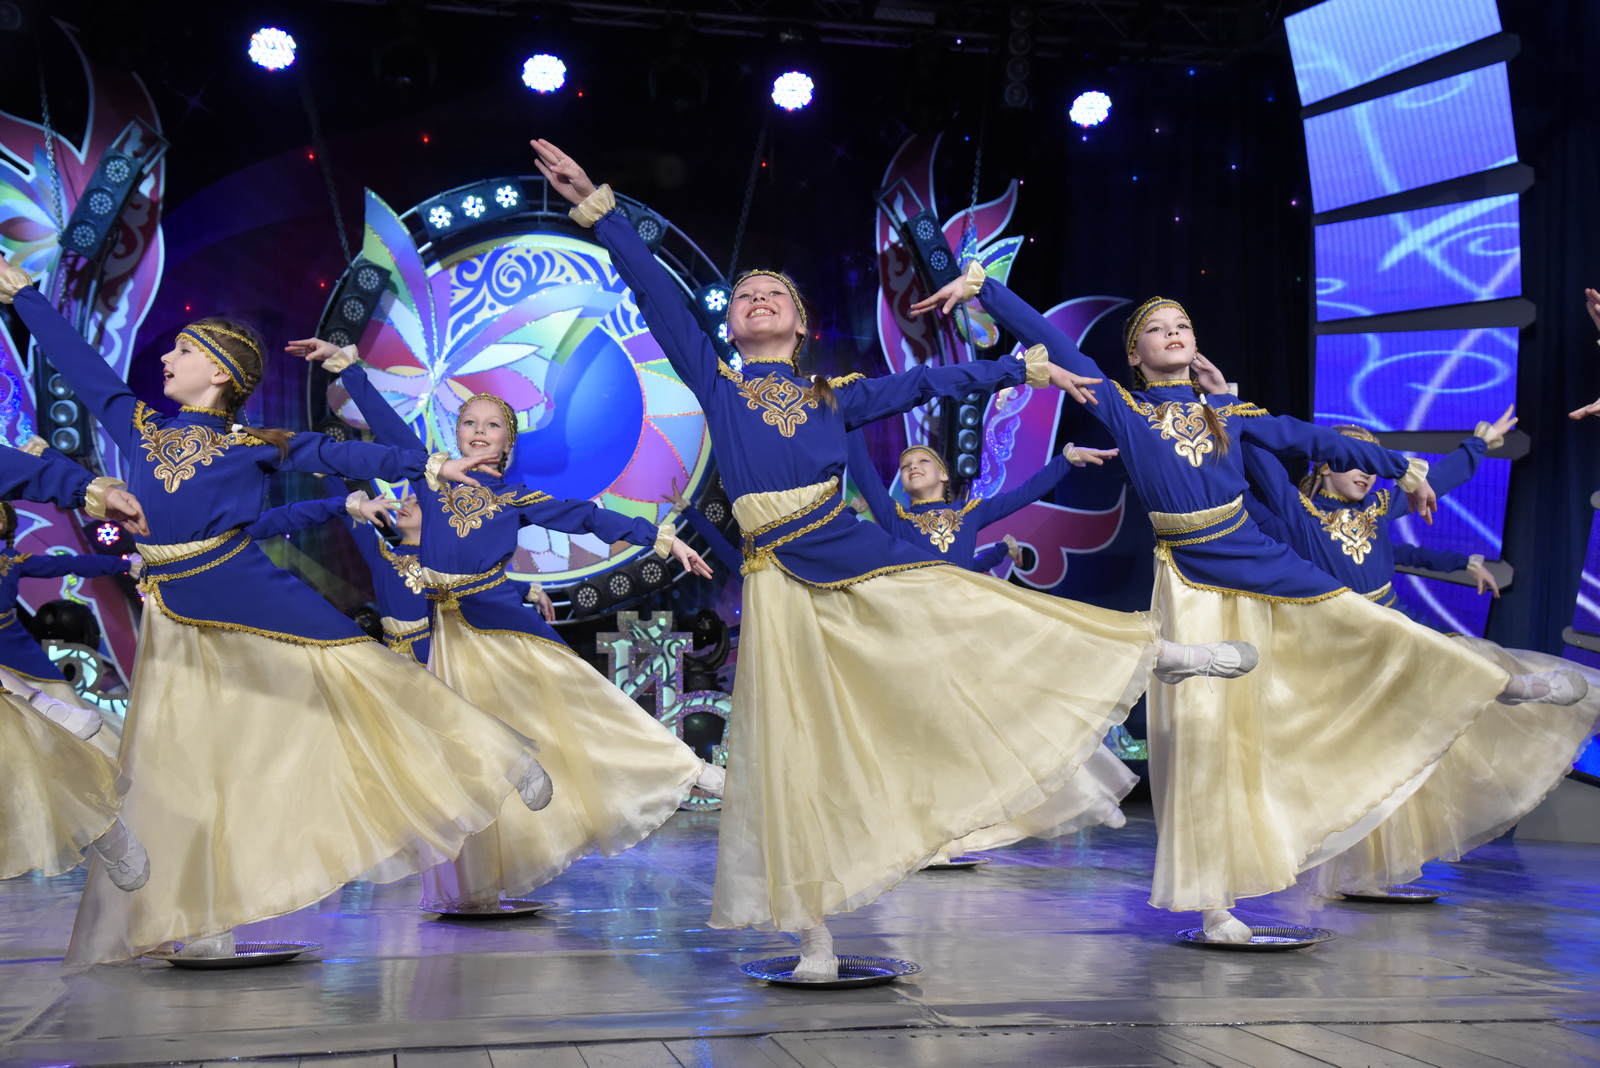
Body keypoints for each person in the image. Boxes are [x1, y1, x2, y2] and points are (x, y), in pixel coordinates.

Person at [533, 138, 1257, 979]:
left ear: (802, 325)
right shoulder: (719, 383)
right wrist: (600, 210)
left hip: (850, 549)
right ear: (730, 325)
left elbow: (924, 385)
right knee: (792, 750)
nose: (758, 299)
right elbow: (658, 297)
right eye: (745, 296)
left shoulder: (834, 396)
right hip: (778, 581)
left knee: (977, 614)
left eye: (775, 294)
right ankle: (813, 936)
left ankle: (1156, 653)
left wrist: (1016, 368)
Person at [918, 268, 1585, 942]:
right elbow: (1060, 347)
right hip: (1192, 574)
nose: (1173, 332)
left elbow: (1311, 438)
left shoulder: (1230, 415)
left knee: (1370, 624)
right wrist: (985, 290)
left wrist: (1401, 467)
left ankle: (1501, 683)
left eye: (1182, 325)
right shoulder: (1125, 407)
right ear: (1135, 356)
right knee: (1208, 733)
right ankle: (1215, 906)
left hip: (1256, 556)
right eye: (1157, 328)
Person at [0, 259, 553, 966]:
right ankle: (202, 920)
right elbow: (87, 372)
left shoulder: (251, 443)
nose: (166, 358)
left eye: (183, 350)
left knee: (367, 675)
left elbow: (334, 453)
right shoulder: (139, 426)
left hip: (239, 583)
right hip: (174, 611)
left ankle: (497, 754)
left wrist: (431, 466)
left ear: (220, 372)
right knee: (177, 757)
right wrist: (26, 296)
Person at [290, 339, 720, 912]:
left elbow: (584, 517)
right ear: (455, 433)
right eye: (468, 422)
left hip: (499, 622)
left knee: (581, 700)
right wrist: (352, 369)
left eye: (492, 425)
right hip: (447, 637)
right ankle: (475, 887)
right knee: (467, 756)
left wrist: (660, 537)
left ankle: (688, 769)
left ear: (507, 444)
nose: (478, 431)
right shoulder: (431, 479)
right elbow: (390, 430)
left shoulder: (516, 496)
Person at [1230, 409, 1600, 896]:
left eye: (1371, 463)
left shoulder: (1378, 508)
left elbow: (1431, 493)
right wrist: (1227, 406)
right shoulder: (1299, 514)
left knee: (1426, 707)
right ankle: (1357, 871)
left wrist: (1480, 443)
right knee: (1367, 761)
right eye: (1352, 461)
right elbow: (1259, 462)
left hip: (1394, 630)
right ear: (1324, 465)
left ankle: (1506, 686)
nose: (1366, 472)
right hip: (1344, 649)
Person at [0, 442, 148, 891]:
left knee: (64, 757)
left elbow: (76, 561)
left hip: (21, 661)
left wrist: (123, 558)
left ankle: (108, 830)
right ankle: (36, 703)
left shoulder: (13, 563)